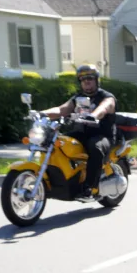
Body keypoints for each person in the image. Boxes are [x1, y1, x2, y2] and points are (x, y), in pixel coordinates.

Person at [41, 64, 117, 199]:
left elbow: (105, 107)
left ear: (96, 80)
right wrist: (42, 113)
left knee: (95, 147)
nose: (86, 81)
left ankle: (91, 187)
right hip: (81, 134)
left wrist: (94, 115)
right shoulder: (78, 98)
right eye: (82, 79)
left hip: (102, 135)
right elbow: (62, 109)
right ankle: (65, 178)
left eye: (90, 78)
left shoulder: (106, 96)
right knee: (57, 141)